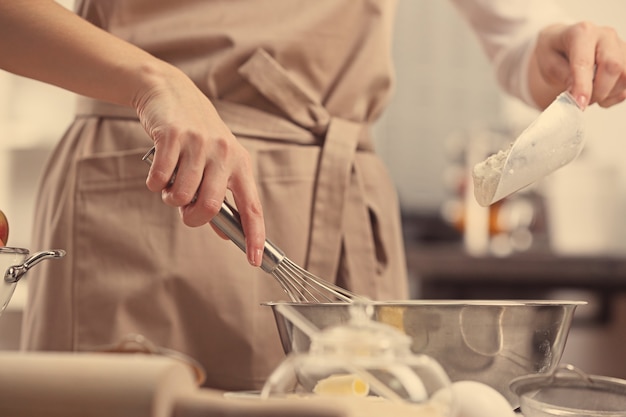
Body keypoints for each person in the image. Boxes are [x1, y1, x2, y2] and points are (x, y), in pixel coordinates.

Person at [1, 0, 625, 391]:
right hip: (157, 183)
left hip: (345, 202)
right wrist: (153, 80)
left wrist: (546, 55)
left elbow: (513, 42)